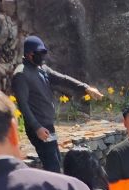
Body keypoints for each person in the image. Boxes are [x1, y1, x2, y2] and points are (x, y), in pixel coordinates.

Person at [11, 35, 103, 173]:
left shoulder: (41, 68)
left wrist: (86, 88)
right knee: (52, 166)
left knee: (55, 163)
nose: (43, 56)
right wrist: (37, 128)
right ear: (29, 54)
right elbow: (23, 105)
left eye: (44, 52)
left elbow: (63, 79)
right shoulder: (21, 75)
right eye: (39, 53)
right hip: (39, 127)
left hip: (48, 125)